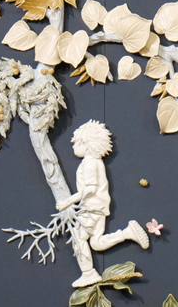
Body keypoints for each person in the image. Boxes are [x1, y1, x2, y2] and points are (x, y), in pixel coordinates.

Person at [59, 120, 148, 288]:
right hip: (99, 208)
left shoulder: (89, 163)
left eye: (76, 143)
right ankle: (127, 233)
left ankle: (88, 273)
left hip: (92, 208)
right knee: (96, 243)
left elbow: (90, 189)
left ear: (86, 143)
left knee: (78, 238)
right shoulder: (95, 162)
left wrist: (68, 201)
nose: (73, 147)